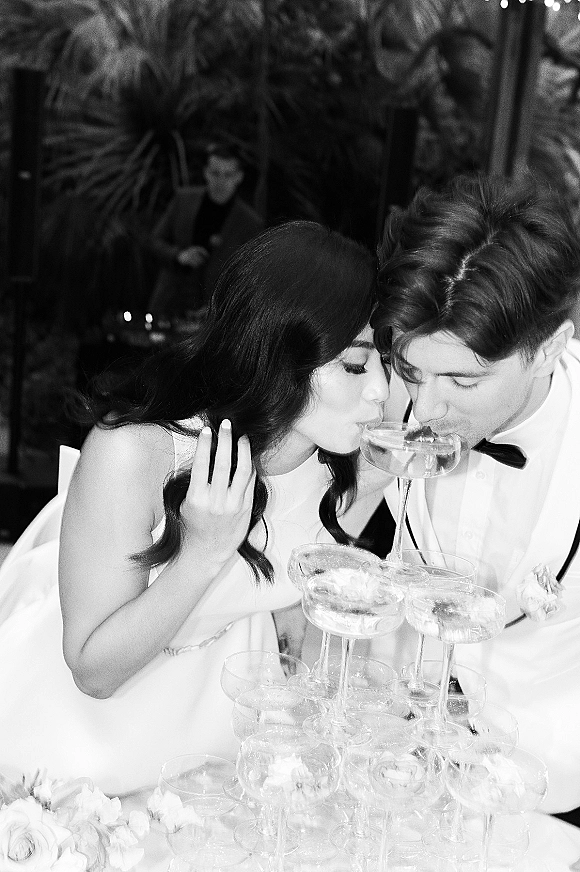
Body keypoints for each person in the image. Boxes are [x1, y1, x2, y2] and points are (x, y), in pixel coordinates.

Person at [0, 221, 389, 796]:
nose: (380, 390)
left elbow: (299, 589)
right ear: (278, 358)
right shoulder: (135, 454)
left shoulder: (349, 454)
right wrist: (202, 554)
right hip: (80, 751)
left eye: (382, 358)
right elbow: (91, 669)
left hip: (215, 747)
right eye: (354, 366)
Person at [370, 172, 580, 815]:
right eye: (412, 371)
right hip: (395, 761)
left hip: (546, 794)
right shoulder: (377, 392)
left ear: (549, 347)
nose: (424, 408)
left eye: (463, 382)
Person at [147, 143, 264, 322]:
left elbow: (251, 275)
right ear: (206, 173)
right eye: (215, 173)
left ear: (238, 177)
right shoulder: (184, 200)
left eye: (228, 175)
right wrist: (178, 256)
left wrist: (221, 305)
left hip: (214, 316)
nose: (221, 181)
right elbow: (153, 241)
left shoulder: (249, 222)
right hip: (170, 304)